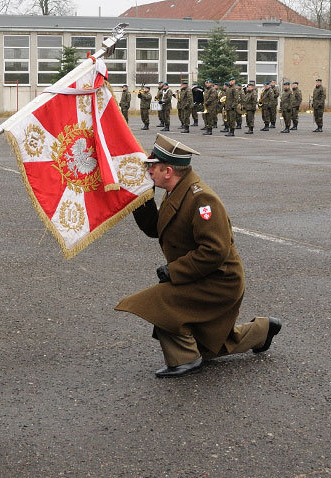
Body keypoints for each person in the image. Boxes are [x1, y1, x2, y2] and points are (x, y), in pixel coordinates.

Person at [115, 133, 282, 377]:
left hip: (219, 280)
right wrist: (141, 198)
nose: (149, 171)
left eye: (153, 167)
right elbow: (156, 228)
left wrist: (174, 271)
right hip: (202, 275)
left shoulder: (201, 199)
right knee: (213, 346)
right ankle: (263, 330)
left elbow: (214, 250)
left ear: (169, 171)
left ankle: (185, 359)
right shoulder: (176, 191)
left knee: (161, 302)